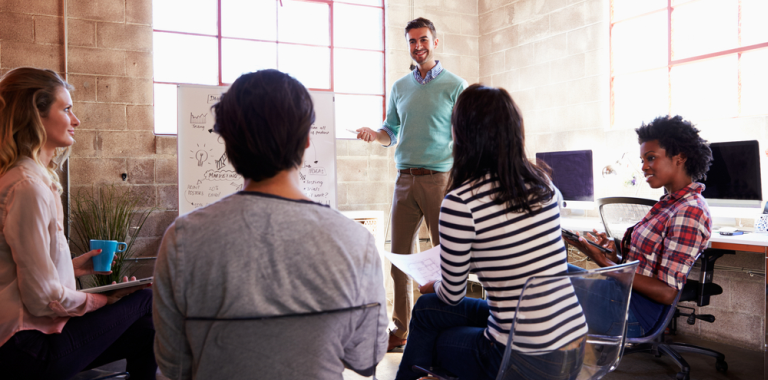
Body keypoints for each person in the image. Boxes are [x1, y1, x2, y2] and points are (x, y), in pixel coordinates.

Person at [152, 69, 388, 379]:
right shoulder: (356, 241)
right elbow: (366, 357)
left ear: (227, 143)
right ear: (306, 141)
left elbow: (174, 367)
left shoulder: (182, 240)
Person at [395, 84, 588, 380]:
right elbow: (512, 247)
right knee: (426, 310)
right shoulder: (544, 185)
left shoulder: (461, 202)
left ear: (460, 135)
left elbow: (452, 295)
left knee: (432, 320)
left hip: (519, 357)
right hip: (573, 341)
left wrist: (434, 283)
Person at [0, 67, 155, 379]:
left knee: (143, 327)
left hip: (29, 339)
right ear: (36, 114)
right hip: (27, 348)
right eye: (66, 108)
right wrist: (102, 300)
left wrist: (76, 268)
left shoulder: (23, 179)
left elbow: (23, 273)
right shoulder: (28, 186)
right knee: (145, 300)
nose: (76, 119)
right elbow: (44, 298)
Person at [354, 17, 468, 351]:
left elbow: (464, 136)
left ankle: (444, 327)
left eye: (423, 40)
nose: (418, 46)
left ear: (435, 42)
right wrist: (375, 135)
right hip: (405, 180)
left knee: (445, 258)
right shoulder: (400, 87)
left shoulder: (455, 85)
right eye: (412, 41)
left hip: (439, 180)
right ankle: (401, 330)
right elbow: (390, 129)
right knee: (400, 259)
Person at [564, 115, 713, 338]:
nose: (643, 166)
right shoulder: (669, 203)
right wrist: (613, 259)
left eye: (650, 158)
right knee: (544, 270)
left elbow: (667, 293)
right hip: (620, 295)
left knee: (540, 278)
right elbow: (642, 268)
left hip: (635, 313)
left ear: (679, 158)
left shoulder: (690, 210)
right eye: (643, 159)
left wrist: (604, 263)